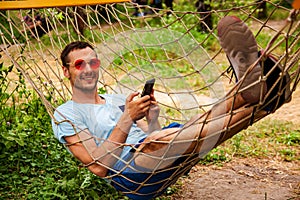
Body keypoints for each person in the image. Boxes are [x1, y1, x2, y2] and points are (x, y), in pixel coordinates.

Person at [52, 16, 291, 199]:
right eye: (80, 64)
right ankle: (260, 97)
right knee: (168, 139)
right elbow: (97, 167)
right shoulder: (66, 113)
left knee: (185, 129)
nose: (89, 69)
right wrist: (127, 118)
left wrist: (152, 118)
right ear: (66, 71)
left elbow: (151, 132)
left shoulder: (115, 99)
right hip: (131, 176)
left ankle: (252, 95)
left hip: (162, 148)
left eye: (94, 62)